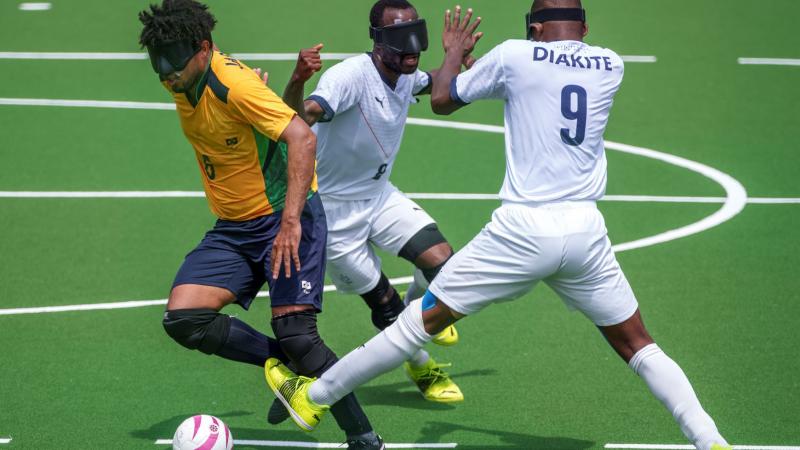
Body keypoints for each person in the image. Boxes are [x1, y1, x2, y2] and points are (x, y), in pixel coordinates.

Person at [263, 2, 732, 450]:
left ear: (535, 28)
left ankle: (315, 398)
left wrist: (451, 56)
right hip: (587, 232)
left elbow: (443, 99)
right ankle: (708, 437)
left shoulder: (515, 55)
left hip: (523, 231)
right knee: (639, 346)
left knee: (414, 325)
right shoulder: (610, 64)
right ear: (585, 30)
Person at [137, 1, 384, 448]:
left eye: (174, 62)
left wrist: (291, 222)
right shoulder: (183, 81)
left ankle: (364, 437)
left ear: (204, 48)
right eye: (158, 64)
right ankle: (288, 373)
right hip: (234, 228)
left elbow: (302, 137)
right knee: (184, 318)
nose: (167, 74)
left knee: (300, 337)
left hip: (284, 220)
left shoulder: (231, 82)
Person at [275, 0, 475, 405]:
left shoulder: (404, 71)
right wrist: (297, 80)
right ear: (378, 41)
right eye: (401, 40)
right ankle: (421, 367)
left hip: (380, 196)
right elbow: (298, 119)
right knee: (383, 303)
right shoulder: (348, 77)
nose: (412, 49)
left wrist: (461, 63)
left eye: (416, 36)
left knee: (444, 264)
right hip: (333, 212)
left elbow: (431, 81)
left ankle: (417, 310)